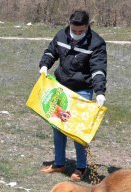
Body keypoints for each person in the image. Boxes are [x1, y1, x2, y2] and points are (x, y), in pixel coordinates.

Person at [38, 10, 107, 182]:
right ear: (69, 23)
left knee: (77, 131)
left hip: (82, 89)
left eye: (80, 31)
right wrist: (45, 65)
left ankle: (81, 167)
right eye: (74, 30)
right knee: (58, 126)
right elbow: (50, 52)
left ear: (87, 26)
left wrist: (99, 92)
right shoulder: (61, 35)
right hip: (61, 87)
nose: (77, 34)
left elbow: (98, 69)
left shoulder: (96, 43)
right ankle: (59, 163)